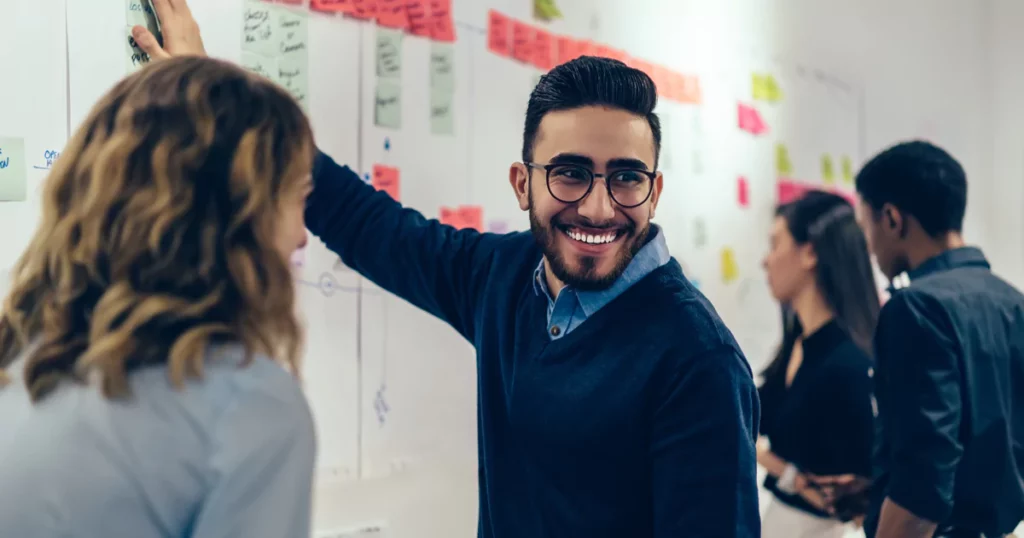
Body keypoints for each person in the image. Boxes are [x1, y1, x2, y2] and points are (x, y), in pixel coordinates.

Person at [133, 2, 763, 536]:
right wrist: (218, 99)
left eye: (626, 178)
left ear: (654, 192)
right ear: (522, 183)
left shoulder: (698, 360)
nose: (599, 208)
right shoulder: (506, 276)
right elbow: (369, 224)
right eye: (570, 173)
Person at [0, 56, 317, 537]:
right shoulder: (249, 408)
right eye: (298, 198)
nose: (301, 235)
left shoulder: (18, 361)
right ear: (237, 220)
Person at [817, 140, 1024, 538]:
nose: (870, 248)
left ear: (892, 219)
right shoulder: (1011, 301)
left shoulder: (916, 307)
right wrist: (879, 488)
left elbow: (923, 487)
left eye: (867, 228)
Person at [755, 191, 880, 538]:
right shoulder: (797, 346)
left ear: (809, 253)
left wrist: (774, 465)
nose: (766, 261)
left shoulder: (849, 365)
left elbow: (857, 501)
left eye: (775, 245)